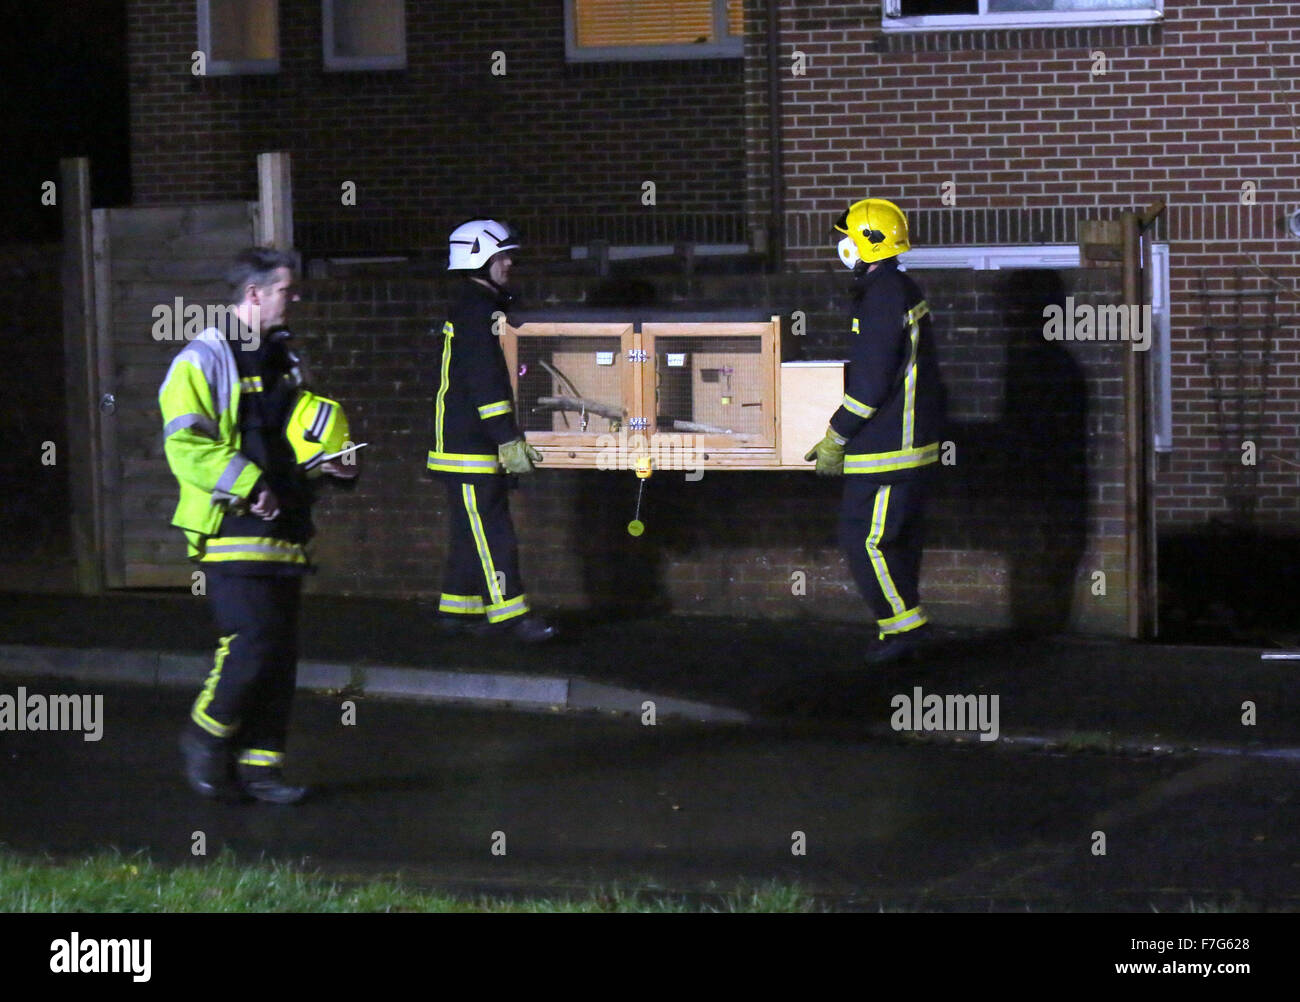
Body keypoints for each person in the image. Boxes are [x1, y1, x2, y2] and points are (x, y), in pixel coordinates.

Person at [159, 246, 357, 803]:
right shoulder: (203, 357)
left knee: (279, 659)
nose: (294, 298)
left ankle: (261, 770)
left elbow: (299, 437)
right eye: (285, 290)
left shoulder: (288, 361)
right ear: (253, 294)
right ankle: (204, 736)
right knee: (252, 642)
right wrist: (247, 484)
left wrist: (333, 466)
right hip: (232, 525)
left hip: (288, 529)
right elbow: (184, 444)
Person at [804, 198, 946, 664]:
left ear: (867, 241)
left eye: (847, 236)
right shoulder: (895, 288)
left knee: (864, 540)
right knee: (892, 541)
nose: (841, 244)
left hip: (888, 448)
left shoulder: (884, 293)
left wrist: (837, 435)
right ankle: (899, 632)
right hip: (902, 443)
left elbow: (870, 381)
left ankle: (905, 629)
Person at [427, 219, 555, 643]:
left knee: (471, 528)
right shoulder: (478, 312)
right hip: (472, 444)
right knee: (492, 528)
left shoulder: (475, 306)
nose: (509, 263)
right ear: (479, 259)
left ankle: (456, 609)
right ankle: (510, 615)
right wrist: (506, 437)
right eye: (502, 256)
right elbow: (485, 381)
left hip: (466, 441)